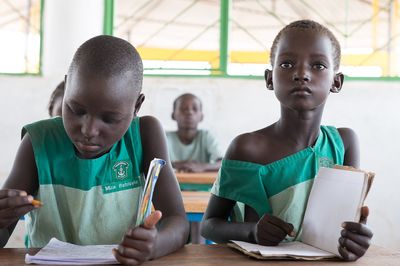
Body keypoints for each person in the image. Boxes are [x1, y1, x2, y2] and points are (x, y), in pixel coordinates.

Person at [0, 35, 189, 265]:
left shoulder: (145, 135)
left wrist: (155, 244)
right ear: (67, 85)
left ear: (136, 106)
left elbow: (178, 222)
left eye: (110, 119)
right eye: (76, 110)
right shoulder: (38, 143)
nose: (89, 130)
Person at [201, 20, 373, 261]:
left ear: (337, 82)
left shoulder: (343, 143)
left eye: (318, 65)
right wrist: (251, 231)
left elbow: (347, 226)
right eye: (287, 64)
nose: (301, 73)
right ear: (270, 79)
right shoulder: (247, 148)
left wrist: (355, 241)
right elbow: (209, 225)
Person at [166, 93, 222, 173]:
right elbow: (153, 163)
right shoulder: (164, 137)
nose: (189, 112)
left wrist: (202, 167)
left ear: (201, 116)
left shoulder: (206, 136)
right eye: (183, 109)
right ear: (173, 115)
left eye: (195, 109)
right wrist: (177, 164)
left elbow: (222, 163)